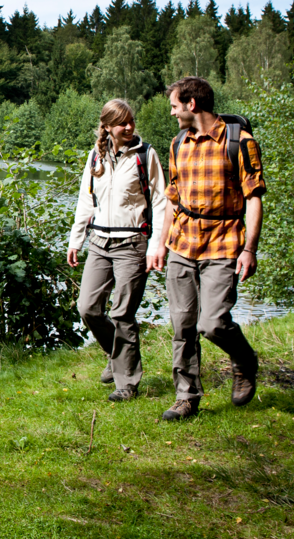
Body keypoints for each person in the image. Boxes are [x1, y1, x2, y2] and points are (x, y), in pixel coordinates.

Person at [151, 76, 265, 422]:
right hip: (183, 244)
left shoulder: (240, 142)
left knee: (213, 323)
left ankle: (244, 360)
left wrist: (249, 249)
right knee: (182, 325)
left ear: (192, 104)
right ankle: (186, 397)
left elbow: (254, 199)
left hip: (224, 241)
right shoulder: (177, 144)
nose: (172, 113)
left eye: (174, 106)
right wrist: (160, 242)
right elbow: (173, 199)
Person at [66, 99, 168, 403]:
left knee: (123, 312)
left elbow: (161, 202)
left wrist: (156, 243)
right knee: (87, 308)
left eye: (131, 121)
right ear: (107, 127)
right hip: (99, 243)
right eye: (121, 123)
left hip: (132, 244)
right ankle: (115, 353)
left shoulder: (145, 155)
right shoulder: (95, 156)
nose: (128, 127)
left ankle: (127, 383)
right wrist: (76, 240)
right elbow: (87, 201)